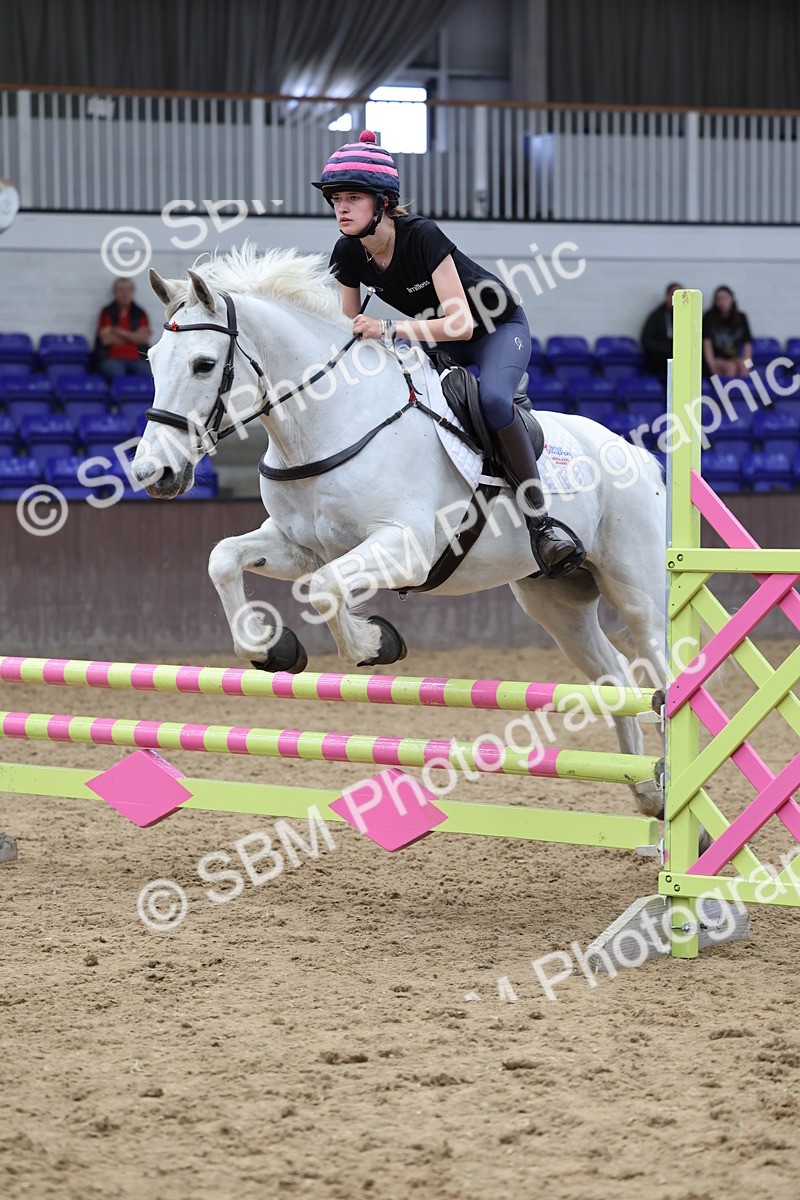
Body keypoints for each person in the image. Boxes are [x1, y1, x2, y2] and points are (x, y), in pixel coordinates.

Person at [312, 130, 584, 579]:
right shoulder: (346, 252)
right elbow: (347, 329)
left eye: (353, 197)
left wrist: (387, 329)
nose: (341, 207)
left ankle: (542, 522)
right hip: (438, 342)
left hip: (494, 329)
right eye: (336, 198)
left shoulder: (422, 236)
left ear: (382, 202)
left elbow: (460, 324)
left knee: (494, 401)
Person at [95, 277, 152, 380]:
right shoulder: (107, 312)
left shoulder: (140, 313)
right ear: (115, 292)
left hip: (137, 358)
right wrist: (134, 337)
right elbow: (106, 339)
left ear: (132, 292)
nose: (124, 294)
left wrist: (116, 331)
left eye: (127, 290)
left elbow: (144, 338)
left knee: (147, 374)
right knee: (117, 374)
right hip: (112, 358)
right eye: (121, 290)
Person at [702, 285, 752, 378]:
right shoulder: (709, 317)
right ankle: (727, 392)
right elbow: (706, 344)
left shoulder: (741, 317)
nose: (722, 302)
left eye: (725, 298)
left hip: (734, 357)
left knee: (743, 366)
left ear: (732, 299)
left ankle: (743, 392)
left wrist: (748, 365)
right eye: (719, 299)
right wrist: (712, 366)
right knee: (730, 367)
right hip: (717, 358)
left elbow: (747, 345)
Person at [640, 282, 684, 378]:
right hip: (661, 358)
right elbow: (646, 341)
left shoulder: (686, 317)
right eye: (674, 295)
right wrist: (668, 349)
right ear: (667, 296)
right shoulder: (656, 316)